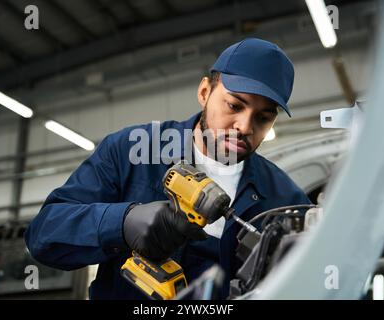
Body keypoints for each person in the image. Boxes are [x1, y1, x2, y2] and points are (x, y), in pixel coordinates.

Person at [24, 38, 311, 299]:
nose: (245, 127)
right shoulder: (129, 153)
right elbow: (43, 235)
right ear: (204, 92)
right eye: (235, 106)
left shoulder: (286, 200)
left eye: (263, 117)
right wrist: (122, 223)